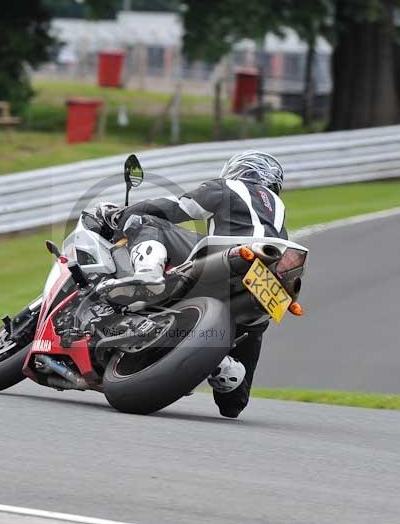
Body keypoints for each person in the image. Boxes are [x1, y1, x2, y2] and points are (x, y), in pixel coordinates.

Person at [96, 150, 287, 418]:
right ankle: (224, 367)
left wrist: (121, 215)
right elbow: (232, 409)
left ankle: (149, 272)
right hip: (269, 278)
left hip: (227, 256)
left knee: (149, 222)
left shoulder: (225, 186)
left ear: (237, 169)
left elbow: (175, 208)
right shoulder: (278, 213)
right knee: (236, 400)